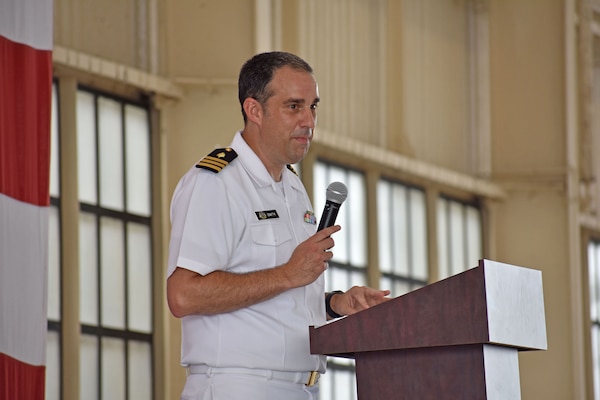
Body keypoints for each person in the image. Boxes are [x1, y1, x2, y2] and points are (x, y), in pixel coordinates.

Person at [166, 51, 390, 400]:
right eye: (294, 106)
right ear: (254, 110)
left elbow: (284, 296)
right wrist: (288, 273)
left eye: (313, 106)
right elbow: (183, 294)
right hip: (239, 386)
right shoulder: (216, 182)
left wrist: (334, 304)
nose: (309, 121)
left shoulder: (293, 187)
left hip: (303, 386)